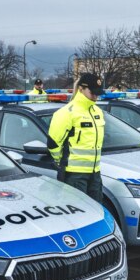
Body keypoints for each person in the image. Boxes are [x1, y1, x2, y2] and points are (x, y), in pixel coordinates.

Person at [47, 72, 106, 202]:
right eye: (93, 93)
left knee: (97, 211)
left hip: (95, 173)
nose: (96, 97)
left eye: (98, 93)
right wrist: (62, 162)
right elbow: (53, 143)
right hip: (74, 175)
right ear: (81, 89)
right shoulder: (66, 113)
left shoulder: (98, 112)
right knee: (78, 213)